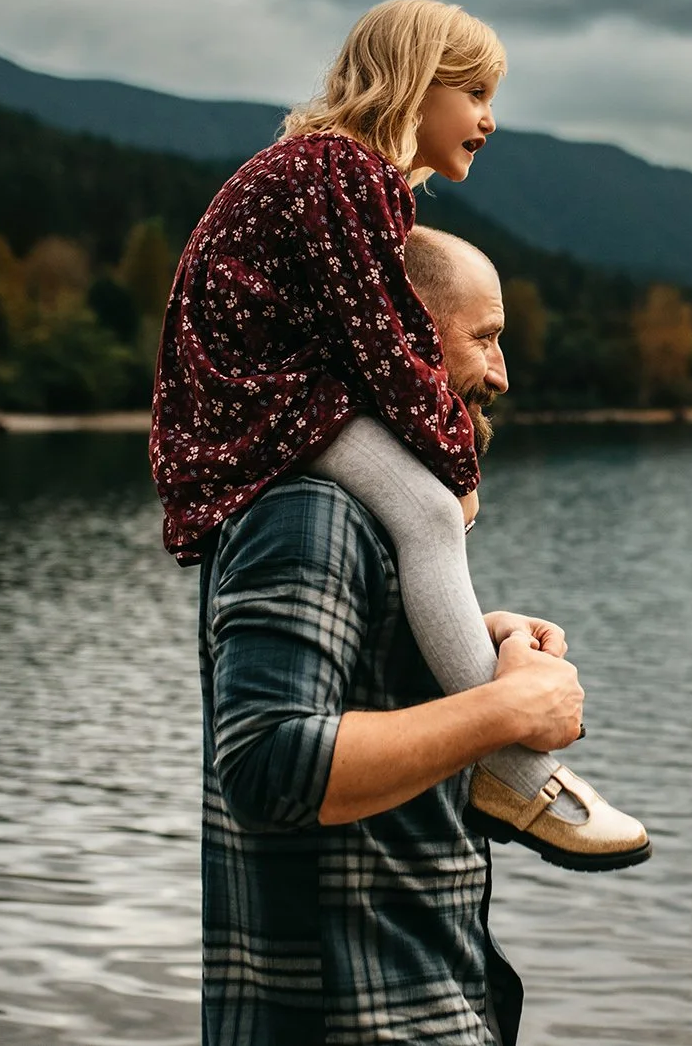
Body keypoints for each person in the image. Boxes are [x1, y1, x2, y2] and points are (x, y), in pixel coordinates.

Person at [151, 0, 648, 869]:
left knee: (419, 514)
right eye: (476, 94)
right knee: (424, 510)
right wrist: (454, 463)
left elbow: (378, 336)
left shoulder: (320, 171)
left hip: (260, 392)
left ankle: (500, 742)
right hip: (267, 398)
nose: (490, 120)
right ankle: (517, 771)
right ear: (417, 86)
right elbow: (383, 338)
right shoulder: (344, 174)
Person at [195, 230, 566, 1043]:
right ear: (396, 334)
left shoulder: (372, 520)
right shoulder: (309, 513)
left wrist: (469, 644)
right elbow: (268, 761)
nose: (502, 375)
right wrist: (506, 714)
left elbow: (345, 711)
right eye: (486, 338)